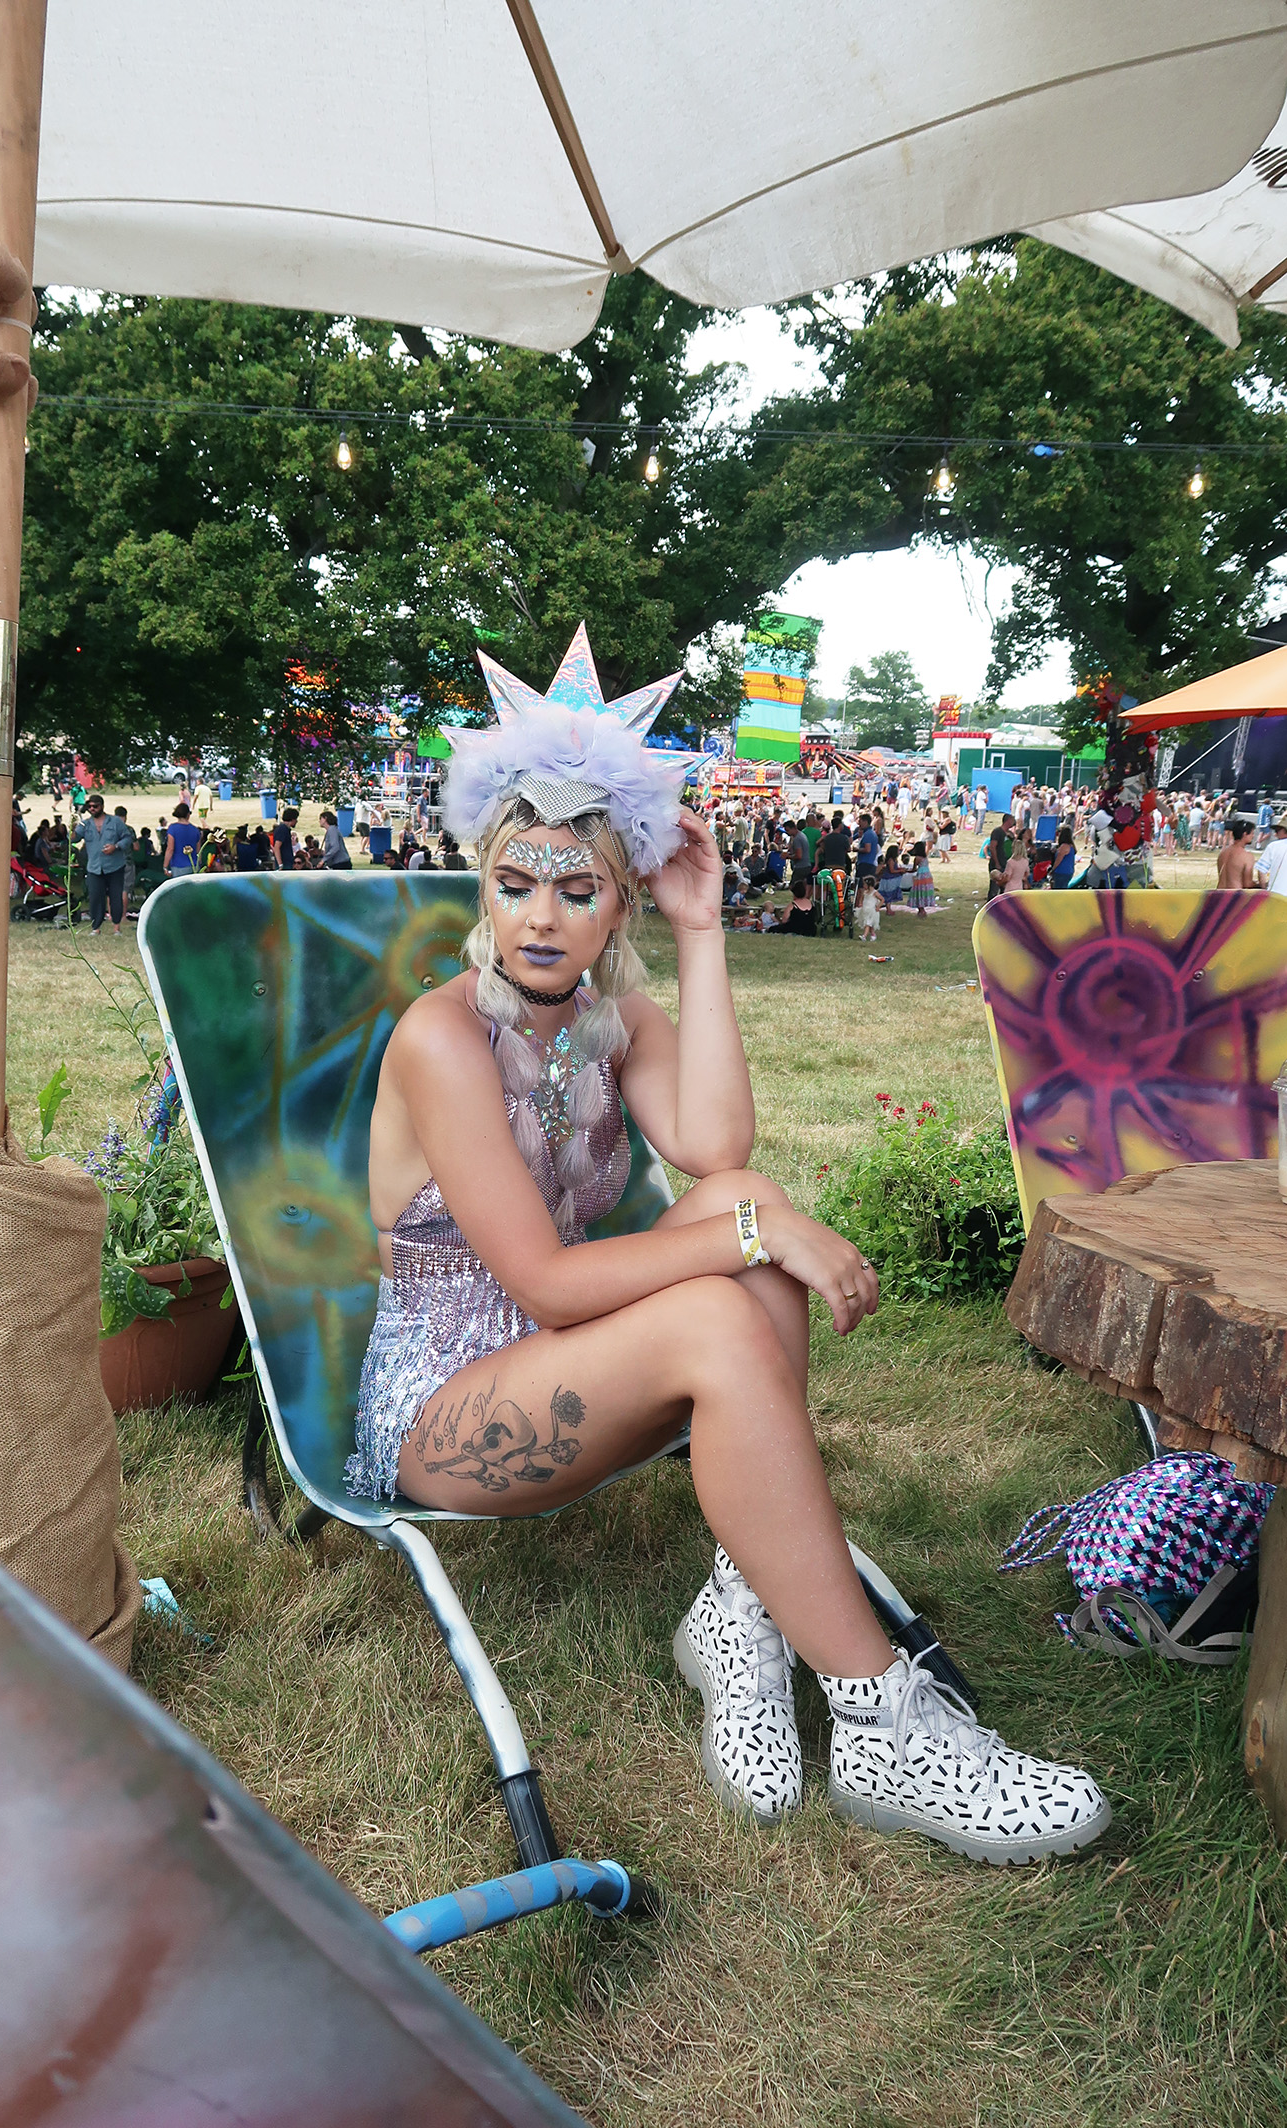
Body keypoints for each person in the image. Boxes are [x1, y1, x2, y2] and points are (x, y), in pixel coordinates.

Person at [347, 674, 1109, 1861]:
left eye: (577, 889)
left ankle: (740, 1608)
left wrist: (703, 932)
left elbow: (717, 1152)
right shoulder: (443, 1039)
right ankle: (879, 1720)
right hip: (445, 1410)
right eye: (514, 886)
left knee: (740, 1198)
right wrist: (760, 1240)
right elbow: (546, 1282)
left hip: (563, 1359)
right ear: (484, 893)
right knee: (726, 1283)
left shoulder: (613, 1021)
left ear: (617, 909)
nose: (541, 918)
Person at [74, 793, 129, 934]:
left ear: (102, 806)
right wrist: (72, 825)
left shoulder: (115, 821)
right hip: (94, 867)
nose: (92, 809)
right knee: (95, 898)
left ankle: (116, 927)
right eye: (89, 806)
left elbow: (128, 838)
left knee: (115, 897)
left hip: (115, 866)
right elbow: (73, 839)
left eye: (95, 806)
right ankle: (96, 928)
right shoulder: (85, 824)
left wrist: (115, 847)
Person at [1253, 811, 1287, 896]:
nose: (1275, 834)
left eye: (1277, 830)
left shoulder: (1273, 846)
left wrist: (1264, 889)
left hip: (1276, 896)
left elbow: (1261, 870)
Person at [164, 802, 203, 876]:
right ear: (188, 815)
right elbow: (199, 851)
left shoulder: (172, 829)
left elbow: (170, 849)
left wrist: (165, 866)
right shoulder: (195, 830)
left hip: (178, 866)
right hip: (193, 865)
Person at [1216, 819, 1256, 891]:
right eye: (1252, 833)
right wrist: (1260, 884)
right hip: (1235, 896)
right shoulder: (1247, 856)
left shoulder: (1223, 853)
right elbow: (1247, 884)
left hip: (1219, 894)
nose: (1253, 836)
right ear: (1245, 834)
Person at [985, 813, 1015, 900]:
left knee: (1004, 887)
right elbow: (992, 847)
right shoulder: (997, 832)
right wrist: (996, 862)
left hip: (1006, 862)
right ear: (1008, 821)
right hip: (997, 862)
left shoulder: (1009, 834)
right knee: (994, 887)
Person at [112, 805, 137, 906]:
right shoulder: (129, 829)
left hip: (112, 862)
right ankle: (123, 916)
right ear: (125, 816)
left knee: (112, 889)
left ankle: (111, 914)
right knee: (125, 890)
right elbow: (136, 847)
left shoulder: (109, 829)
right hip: (127, 861)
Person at [909, 840, 938, 913]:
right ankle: (923, 907)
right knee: (925, 890)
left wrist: (906, 871)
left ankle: (921, 908)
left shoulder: (917, 858)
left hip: (921, 876)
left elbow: (914, 869)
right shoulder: (925, 857)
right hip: (927, 875)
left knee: (919, 891)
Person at [853, 873, 882, 940]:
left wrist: (878, 906)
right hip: (865, 910)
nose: (863, 886)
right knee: (868, 923)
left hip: (872, 910)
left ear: (869, 885)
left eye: (864, 884)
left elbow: (882, 899)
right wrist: (860, 903)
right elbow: (861, 898)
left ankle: (864, 936)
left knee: (868, 924)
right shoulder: (865, 892)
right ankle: (873, 935)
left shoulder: (875, 893)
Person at [1049, 825, 1077, 891]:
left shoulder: (1064, 846)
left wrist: (1052, 869)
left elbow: (1059, 859)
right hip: (1068, 871)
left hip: (1061, 872)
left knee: (1058, 890)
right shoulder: (1071, 846)